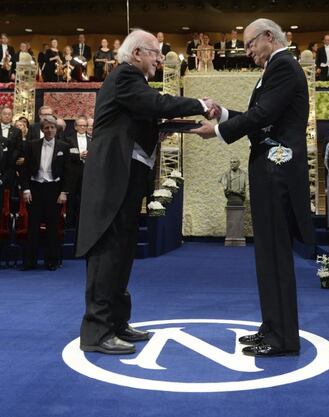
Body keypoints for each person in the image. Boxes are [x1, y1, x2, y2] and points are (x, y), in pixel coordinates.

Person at [76, 29, 215, 355]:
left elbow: (145, 115)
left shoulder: (131, 82)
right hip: (112, 181)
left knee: (123, 251)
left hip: (126, 180)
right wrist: (199, 104)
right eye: (155, 52)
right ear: (137, 53)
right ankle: (96, 332)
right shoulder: (125, 76)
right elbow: (154, 103)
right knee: (108, 250)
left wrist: (174, 128)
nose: (159, 58)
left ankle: (117, 322)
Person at [192, 18, 314, 357]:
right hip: (268, 172)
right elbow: (259, 114)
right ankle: (272, 328)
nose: (247, 52)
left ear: (268, 37)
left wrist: (217, 132)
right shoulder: (276, 68)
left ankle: (284, 339)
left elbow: (261, 116)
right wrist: (224, 114)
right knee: (267, 256)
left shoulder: (285, 67)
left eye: (249, 45)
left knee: (275, 257)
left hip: (277, 172)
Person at [21, 115, 71, 271]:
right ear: (42, 129)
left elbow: (68, 172)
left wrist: (64, 192)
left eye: (52, 127)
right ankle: (30, 262)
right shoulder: (31, 145)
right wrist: (26, 189)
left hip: (54, 190)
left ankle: (51, 261)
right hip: (35, 188)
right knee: (33, 227)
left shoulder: (64, 146)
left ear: (56, 129)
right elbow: (25, 169)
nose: (49, 130)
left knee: (52, 227)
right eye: (46, 128)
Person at [65, 116, 91, 228]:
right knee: (71, 199)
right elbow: (66, 154)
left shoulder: (91, 139)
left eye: (84, 125)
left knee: (85, 198)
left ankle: (83, 224)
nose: (82, 127)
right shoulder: (69, 139)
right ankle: (70, 223)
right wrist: (79, 155)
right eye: (80, 125)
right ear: (75, 127)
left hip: (87, 172)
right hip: (73, 173)